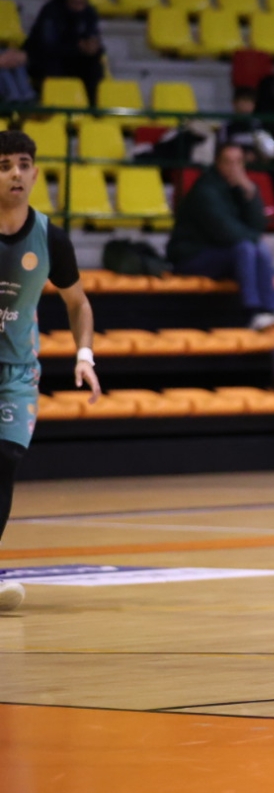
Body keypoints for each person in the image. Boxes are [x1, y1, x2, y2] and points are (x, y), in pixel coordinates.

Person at [0, 130, 101, 614]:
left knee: (5, 460)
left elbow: (77, 302)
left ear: (36, 174)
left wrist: (85, 356)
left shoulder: (50, 238)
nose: (15, 173)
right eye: (3, 166)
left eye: (22, 164)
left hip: (16, 372)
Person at [166, 142, 274, 331]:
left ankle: (271, 310)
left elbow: (257, 225)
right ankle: (252, 313)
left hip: (221, 253)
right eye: (228, 162)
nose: (234, 168)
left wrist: (250, 193)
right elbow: (225, 232)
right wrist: (257, 239)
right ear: (217, 163)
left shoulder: (239, 187)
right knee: (247, 247)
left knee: (259, 248)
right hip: (192, 256)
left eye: (239, 162)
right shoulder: (205, 190)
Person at [24, 0, 104, 103]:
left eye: (82, 2)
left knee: (94, 66)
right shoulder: (51, 12)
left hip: (75, 59)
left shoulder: (89, 13)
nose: (79, 7)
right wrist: (76, 47)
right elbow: (46, 46)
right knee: (52, 65)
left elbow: (93, 37)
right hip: (47, 59)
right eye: (74, 2)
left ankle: (92, 108)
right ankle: (55, 105)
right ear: (65, 0)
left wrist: (93, 47)